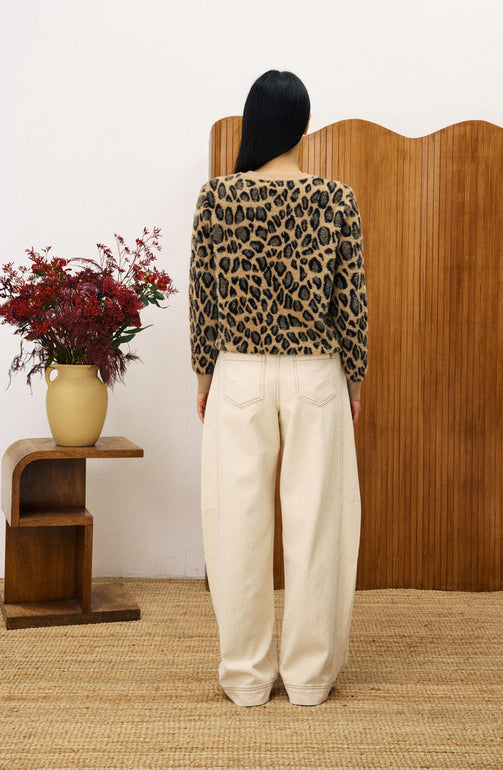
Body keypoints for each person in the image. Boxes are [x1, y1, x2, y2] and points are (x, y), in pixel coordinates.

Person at [189, 70, 368, 707]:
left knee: (236, 522)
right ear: (304, 124)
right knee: (318, 521)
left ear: (254, 122)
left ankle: (245, 678)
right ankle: (310, 679)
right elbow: (351, 303)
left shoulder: (217, 199)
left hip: (238, 370)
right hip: (316, 370)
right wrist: (354, 382)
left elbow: (204, 302)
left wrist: (205, 378)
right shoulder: (336, 199)